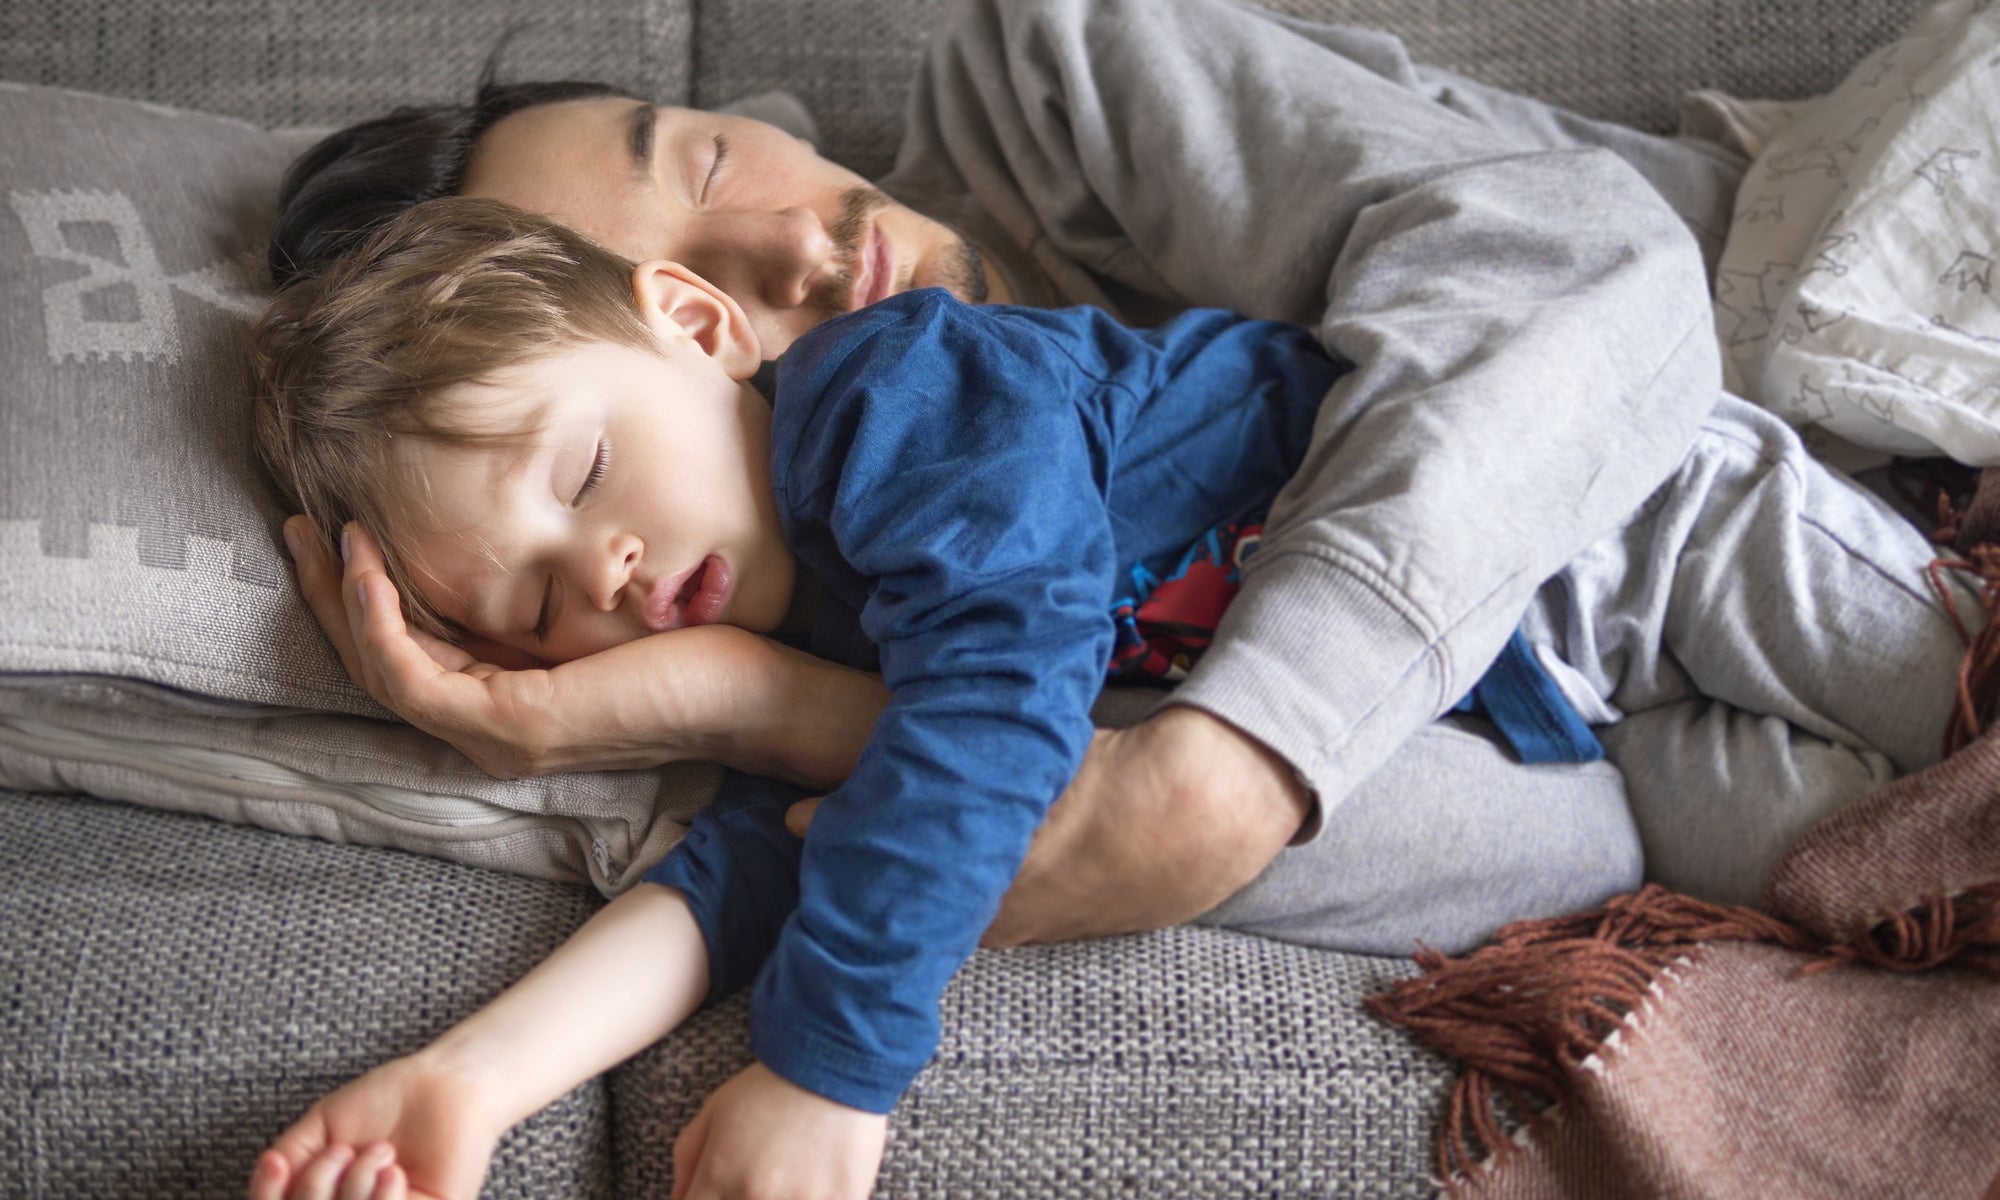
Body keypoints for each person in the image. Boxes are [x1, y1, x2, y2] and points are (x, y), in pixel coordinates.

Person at [245, 193, 1974, 1200]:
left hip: (1621, 530)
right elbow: (737, 877)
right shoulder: (793, 663)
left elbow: (997, 695)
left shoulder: (897, 400)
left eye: (589, 472)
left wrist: (831, 1071)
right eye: (538, 609)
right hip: (1552, 746)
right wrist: (466, 1085)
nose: (604, 570)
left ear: (696, 328)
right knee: (1875, 878)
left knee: (1958, 704)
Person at [264, 0, 1766, 953]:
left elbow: (1584, 260)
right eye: (691, 295)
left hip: (1805, 409)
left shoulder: (1053, 77)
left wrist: (1226, 765)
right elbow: (1570, 835)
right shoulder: (807, 588)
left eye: (710, 166)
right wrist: (761, 706)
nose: (799, 255)